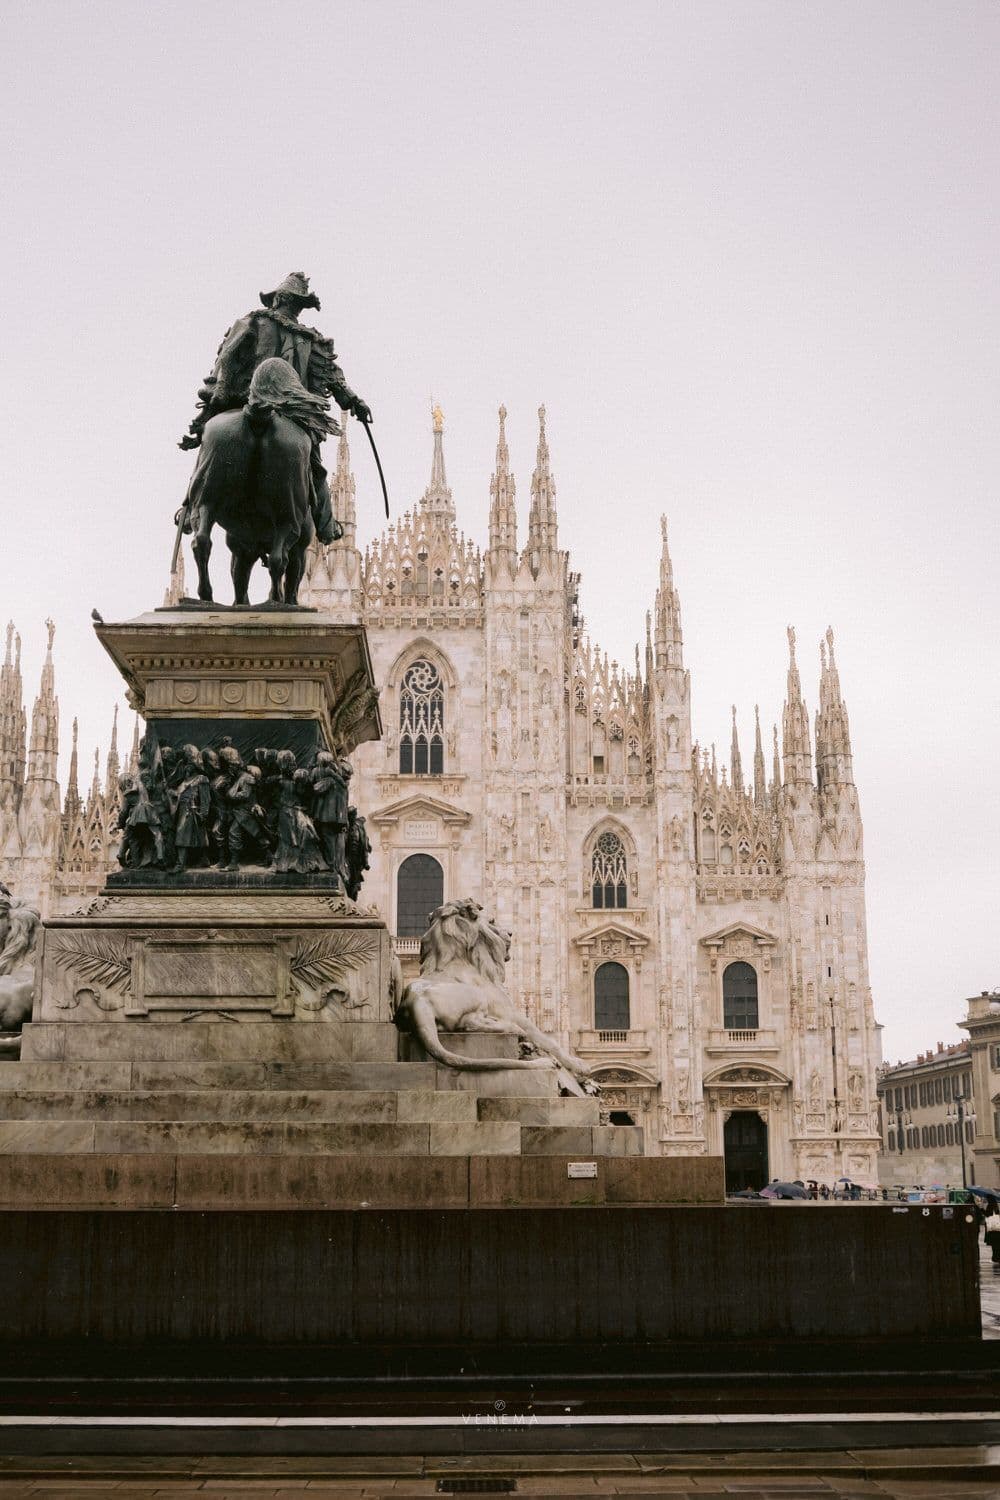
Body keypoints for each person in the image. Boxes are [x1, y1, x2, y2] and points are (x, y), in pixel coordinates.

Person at [179, 272, 372, 544]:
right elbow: (334, 379)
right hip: (292, 411)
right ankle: (326, 525)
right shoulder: (311, 339)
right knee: (314, 467)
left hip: (245, 401)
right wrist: (354, 402)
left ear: (278, 298)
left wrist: (217, 394)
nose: (289, 306)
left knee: (208, 450)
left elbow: (226, 357)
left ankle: (190, 509)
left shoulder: (252, 322)